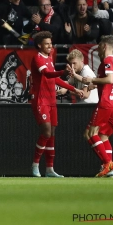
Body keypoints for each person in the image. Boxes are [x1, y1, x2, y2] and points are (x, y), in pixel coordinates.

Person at [30, 31, 84, 178]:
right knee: (46, 132)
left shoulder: (49, 58)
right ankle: (35, 165)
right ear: (39, 45)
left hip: (51, 99)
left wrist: (74, 89)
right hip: (41, 100)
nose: (50, 46)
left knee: (52, 134)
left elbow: (54, 80)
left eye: (51, 43)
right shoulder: (38, 58)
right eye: (47, 43)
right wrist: (61, 71)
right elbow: (47, 74)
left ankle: (49, 169)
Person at [81, 35, 113, 177]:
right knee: (103, 135)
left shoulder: (107, 60)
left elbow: (109, 79)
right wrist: (93, 83)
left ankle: (108, 163)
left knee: (90, 133)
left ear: (104, 46)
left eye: (100, 46)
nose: (99, 49)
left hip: (105, 103)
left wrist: (93, 79)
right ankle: (110, 170)